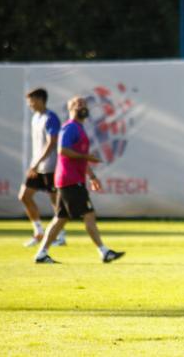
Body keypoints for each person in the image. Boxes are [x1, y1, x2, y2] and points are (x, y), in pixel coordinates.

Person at [34, 96, 124, 264]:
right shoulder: (70, 128)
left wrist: (92, 175)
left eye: (84, 105)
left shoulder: (79, 128)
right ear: (70, 109)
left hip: (69, 179)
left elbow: (80, 159)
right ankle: (104, 252)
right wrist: (86, 157)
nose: (82, 107)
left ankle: (41, 253)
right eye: (78, 105)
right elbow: (62, 150)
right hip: (71, 180)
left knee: (60, 219)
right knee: (88, 215)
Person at [19, 88, 67, 247]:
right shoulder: (35, 117)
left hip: (51, 166)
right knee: (24, 196)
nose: (29, 104)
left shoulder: (50, 118)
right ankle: (39, 231)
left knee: (55, 202)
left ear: (40, 99)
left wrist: (37, 162)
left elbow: (51, 142)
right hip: (37, 166)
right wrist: (35, 164)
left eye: (31, 100)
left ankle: (60, 236)